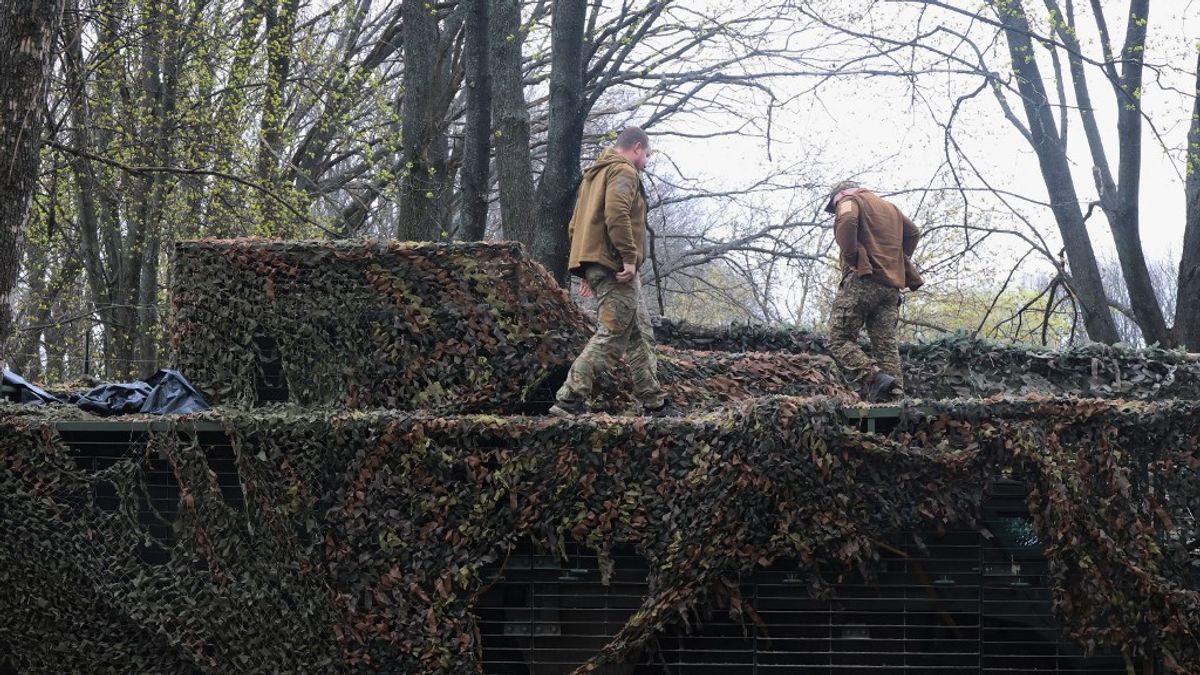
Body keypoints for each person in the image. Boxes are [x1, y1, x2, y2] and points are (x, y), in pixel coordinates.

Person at [549, 127, 676, 417]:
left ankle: (653, 401)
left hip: (602, 263)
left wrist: (585, 267)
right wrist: (629, 258)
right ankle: (569, 397)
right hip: (617, 265)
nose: (647, 161)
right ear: (636, 147)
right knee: (614, 334)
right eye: (647, 154)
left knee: (640, 332)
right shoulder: (624, 172)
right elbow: (616, 214)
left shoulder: (595, 175)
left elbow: (575, 225)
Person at [825, 180, 923, 402]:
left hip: (864, 281)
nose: (835, 212)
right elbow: (913, 233)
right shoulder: (890, 208)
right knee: (885, 346)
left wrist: (852, 257)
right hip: (891, 288)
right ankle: (895, 400)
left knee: (838, 339)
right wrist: (895, 260)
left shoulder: (849, 200)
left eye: (833, 207)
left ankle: (875, 378)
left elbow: (848, 220)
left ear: (839, 195)